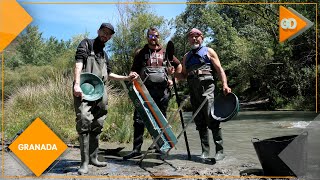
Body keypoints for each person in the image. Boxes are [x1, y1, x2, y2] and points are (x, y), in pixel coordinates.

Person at [73, 22, 138, 175]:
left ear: (110, 37)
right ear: (99, 31)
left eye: (108, 34)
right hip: (83, 89)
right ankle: (84, 162)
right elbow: (78, 64)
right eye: (104, 32)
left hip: (100, 93)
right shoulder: (86, 44)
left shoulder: (104, 54)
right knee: (83, 120)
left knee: (98, 122)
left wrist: (127, 78)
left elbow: (109, 74)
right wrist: (76, 85)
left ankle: (94, 157)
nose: (105, 35)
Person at [123, 27, 182, 160]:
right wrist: (132, 74)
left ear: (158, 37)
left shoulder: (166, 53)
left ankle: (160, 148)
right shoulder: (141, 53)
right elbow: (134, 70)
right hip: (144, 92)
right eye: (150, 36)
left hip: (162, 92)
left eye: (155, 36)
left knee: (161, 121)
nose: (153, 38)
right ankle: (136, 150)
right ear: (147, 38)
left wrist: (175, 80)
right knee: (139, 120)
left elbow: (179, 66)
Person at [176, 28, 231, 162]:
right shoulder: (186, 56)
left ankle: (220, 151)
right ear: (188, 39)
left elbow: (219, 69)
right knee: (199, 120)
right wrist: (174, 73)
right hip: (193, 91)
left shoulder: (209, 51)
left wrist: (224, 84)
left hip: (208, 89)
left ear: (202, 38)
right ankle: (205, 151)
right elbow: (182, 75)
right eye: (191, 37)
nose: (194, 39)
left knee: (211, 116)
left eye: (197, 36)